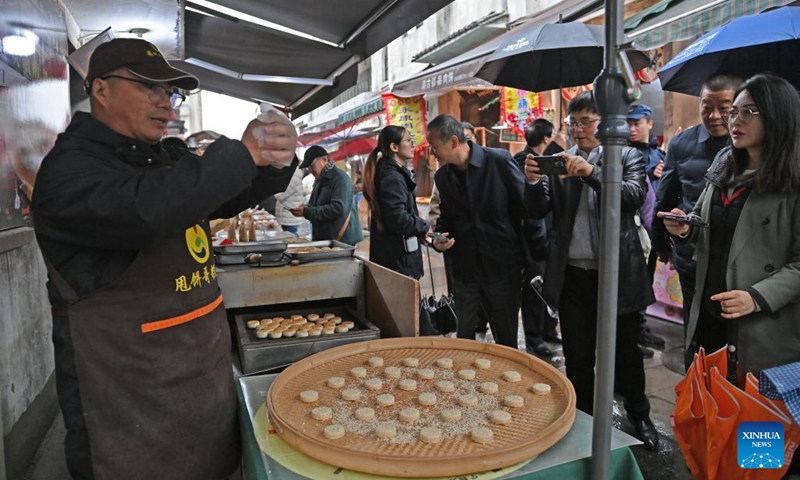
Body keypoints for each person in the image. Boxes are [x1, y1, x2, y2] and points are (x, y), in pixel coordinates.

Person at [31, 38, 298, 480]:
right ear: (100, 90)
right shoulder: (69, 170)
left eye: (170, 93)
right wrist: (238, 154)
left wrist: (271, 164)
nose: (167, 106)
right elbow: (145, 209)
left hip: (200, 378)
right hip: (128, 407)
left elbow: (213, 195)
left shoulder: (160, 155)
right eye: (149, 88)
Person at [523, 92, 658, 450]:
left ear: (607, 122)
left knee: (627, 354)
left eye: (587, 121)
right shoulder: (561, 161)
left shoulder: (628, 155)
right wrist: (534, 180)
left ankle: (640, 414)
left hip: (617, 276)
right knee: (579, 356)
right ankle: (581, 418)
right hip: (573, 277)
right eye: (573, 122)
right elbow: (537, 210)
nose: (578, 129)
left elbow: (631, 196)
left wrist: (592, 173)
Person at [659, 73, 800, 378]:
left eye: (747, 112)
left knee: (755, 421)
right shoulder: (726, 163)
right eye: (734, 111)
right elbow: (701, 219)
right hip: (710, 307)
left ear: (777, 115)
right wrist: (684, 227)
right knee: (711, 404)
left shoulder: (793, 179)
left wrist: (756, 297)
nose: (734, 120)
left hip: (761, 320)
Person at [428, 114, 544, 349]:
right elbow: (446, 220)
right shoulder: (442, 176)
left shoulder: (498, 161)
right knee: (465, 336)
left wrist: (535, 256)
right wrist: (438, 239)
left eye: (434, 146)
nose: (432, 152)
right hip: (464, 269)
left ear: (452, 142)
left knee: (506, 337)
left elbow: (527, 208)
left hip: (502, 267)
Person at [652, 74, 741, 369]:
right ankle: (696, 385)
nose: (715, 116)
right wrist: (663, 246)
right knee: (696, 324)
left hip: (739, 261)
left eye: (724, 107)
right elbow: (665, 198)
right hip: (693, 254)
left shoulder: (753, 145)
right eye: (707, 107)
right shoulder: (682, 143)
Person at [512, 119, 560, 358]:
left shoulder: (548, 162)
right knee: (534, 288)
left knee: (549, 284)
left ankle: (548, 329)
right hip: (532, 238)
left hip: (548, 234)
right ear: (547, 138)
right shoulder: (525, 162)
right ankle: (534, 338)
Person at [626, 104, 667, 356]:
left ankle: (640, 328)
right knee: (633, 283)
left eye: (637, 123)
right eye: (628, 124)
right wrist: (650, 176)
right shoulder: (626, 154)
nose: (631, 128)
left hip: (654, 227)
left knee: (646, 280)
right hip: (634, 230)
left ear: (649, 124)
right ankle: (633, 334)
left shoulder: (660, 154)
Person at [362, 126, 429, 278]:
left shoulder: (391, 172)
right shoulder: (392, 177)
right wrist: (424, 226)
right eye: (408, 140)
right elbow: (397, 218)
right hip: (398, 259)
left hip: (396, 257)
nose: (413, 144)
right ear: (394, 147)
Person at [290, 145, 363, 245]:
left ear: (324, 159)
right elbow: (315, 205)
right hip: (327, 240)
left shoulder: (340, 179)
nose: (311, 171)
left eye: (312, 166)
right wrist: (305, 209)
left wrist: (307, 211)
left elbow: (337, 208)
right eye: (308, 168)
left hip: (342, 241)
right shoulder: (320, 179)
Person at [274, 166, 305, 234]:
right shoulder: (290, 175)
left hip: (290, 217)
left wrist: (272, 189)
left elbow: (281, 195)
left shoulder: (293, 177)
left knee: (291, 239)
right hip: (287, 216)